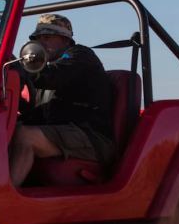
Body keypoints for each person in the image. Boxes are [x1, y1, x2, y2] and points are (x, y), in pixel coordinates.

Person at [10, 14, 115, 186]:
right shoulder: (47, 67)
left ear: (65, 39)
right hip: (65, 130)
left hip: (90, 135)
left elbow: (53, 77)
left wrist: (20, 69)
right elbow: (43, 109)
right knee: (6, 130)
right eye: (38, 39)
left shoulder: (80, 55)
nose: (41, 43)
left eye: (47, 37)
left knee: (24, 137)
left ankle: (6, 197)